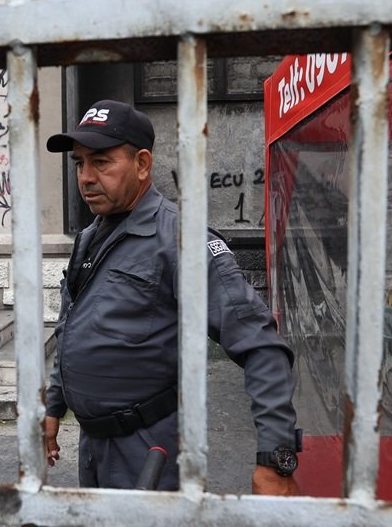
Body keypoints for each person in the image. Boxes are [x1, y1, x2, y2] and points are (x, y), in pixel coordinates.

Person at [44, 99, 302, 494]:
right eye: (79, 163)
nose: (86, 177)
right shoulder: (90, 237)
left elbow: (262, 346)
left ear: (142, 164)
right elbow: (71, 325)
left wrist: (275, 460)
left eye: (101, 162)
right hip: (93, 446)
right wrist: (54, 405)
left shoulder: (181, 240)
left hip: (148, 450)